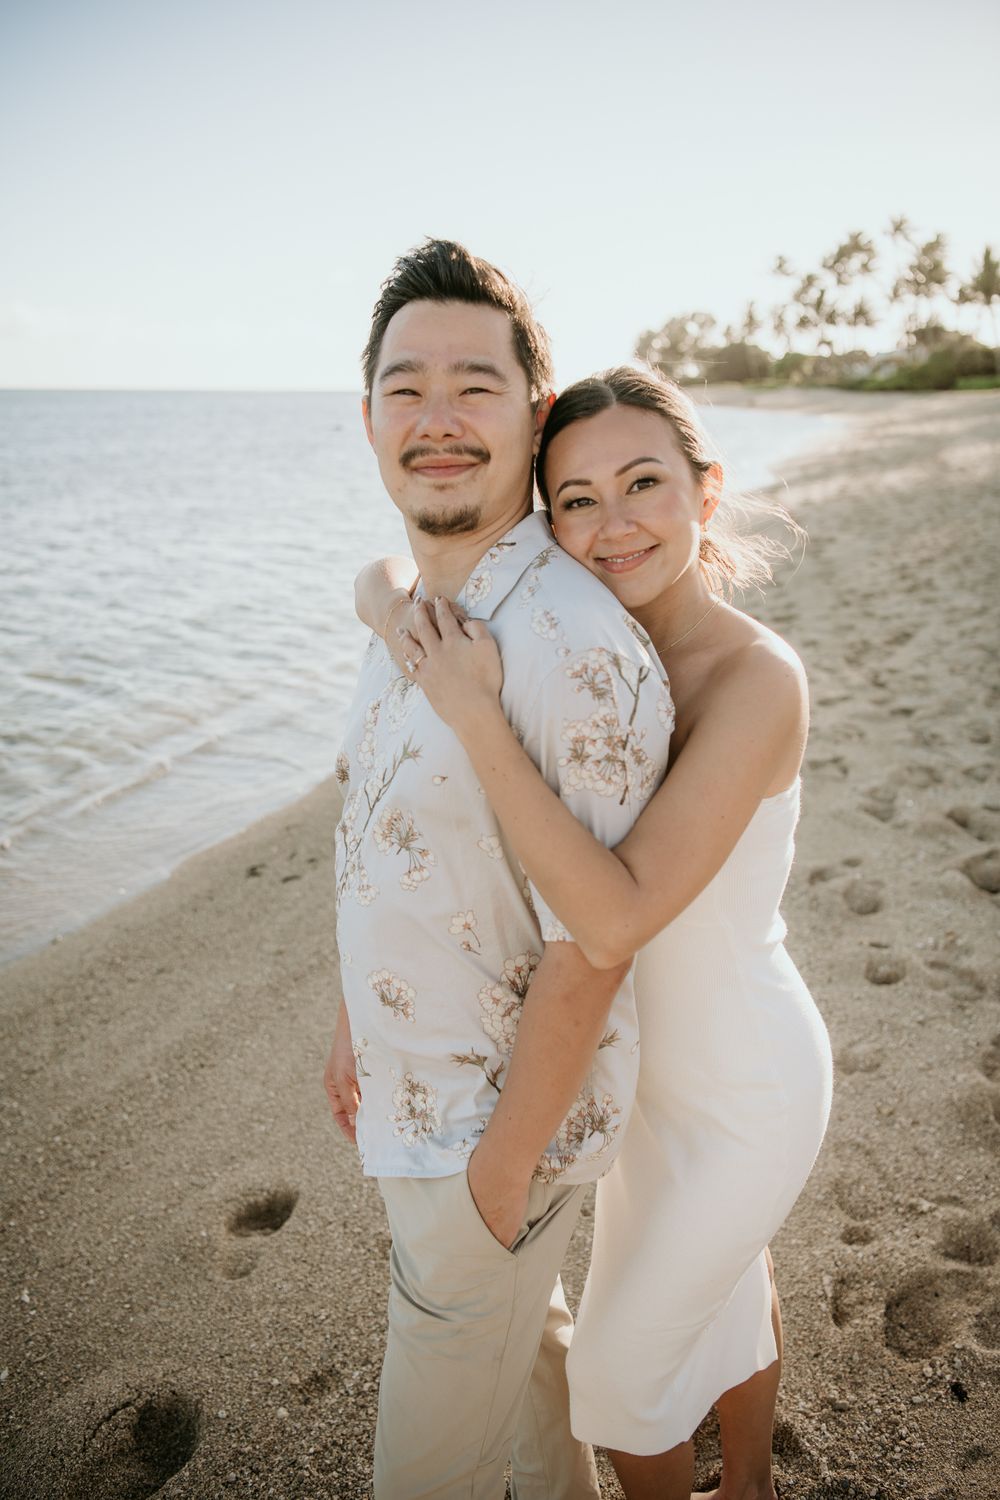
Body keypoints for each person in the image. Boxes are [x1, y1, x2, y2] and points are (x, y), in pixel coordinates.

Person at [361, 366, 834, 1500]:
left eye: (642, 484)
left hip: (746, 1088)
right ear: (543, 515)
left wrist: (470, 712)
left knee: (618, 1381)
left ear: (704, 491)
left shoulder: (756, 678)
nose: (612, 525)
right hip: (641, 1082)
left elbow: (613, 913)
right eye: (575, 500)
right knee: (718, 1289)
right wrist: (385, 606)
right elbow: (386, 566)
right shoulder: (584, 649)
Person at [324, 247, 673, 1499]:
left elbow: (596, 943)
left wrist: (498, 1175)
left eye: (475, 384)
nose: (435, 418)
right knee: (531, 1383)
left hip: (488, 1134)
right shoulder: (419, 608)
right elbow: (385, 828)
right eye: (403, 385)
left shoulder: (567, 647)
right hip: (416, 1105)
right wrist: (351, 1020)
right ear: (366, 417)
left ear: (537, 408)